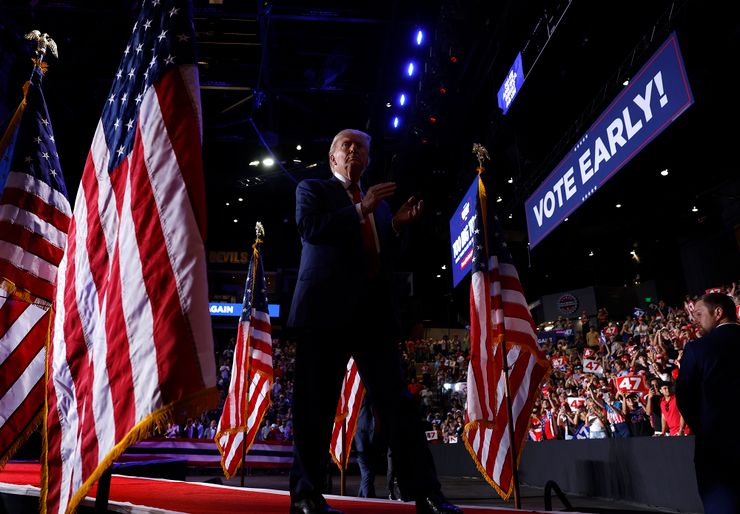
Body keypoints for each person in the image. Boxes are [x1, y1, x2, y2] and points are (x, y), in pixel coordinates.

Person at [287, 129, 462, 514]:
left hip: (373, 317)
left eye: (361, 147)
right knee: (314, 408)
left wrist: (396, 226)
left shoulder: (380, 205)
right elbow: (311, 230)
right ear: (333, 158)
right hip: (323, 313)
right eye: (346, 146)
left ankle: (428, 495)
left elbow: (385, 256)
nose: (354, 151)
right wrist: (360, 209)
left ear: (367, 159)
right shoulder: (312, 189)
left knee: (399, 406)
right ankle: (306, 498)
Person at [676, 293, 740, 513]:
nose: (695, 320)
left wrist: (705, 429)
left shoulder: (698, 349)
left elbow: (684, 398)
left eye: (699, 314)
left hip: (717, 452)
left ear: (718, 313)